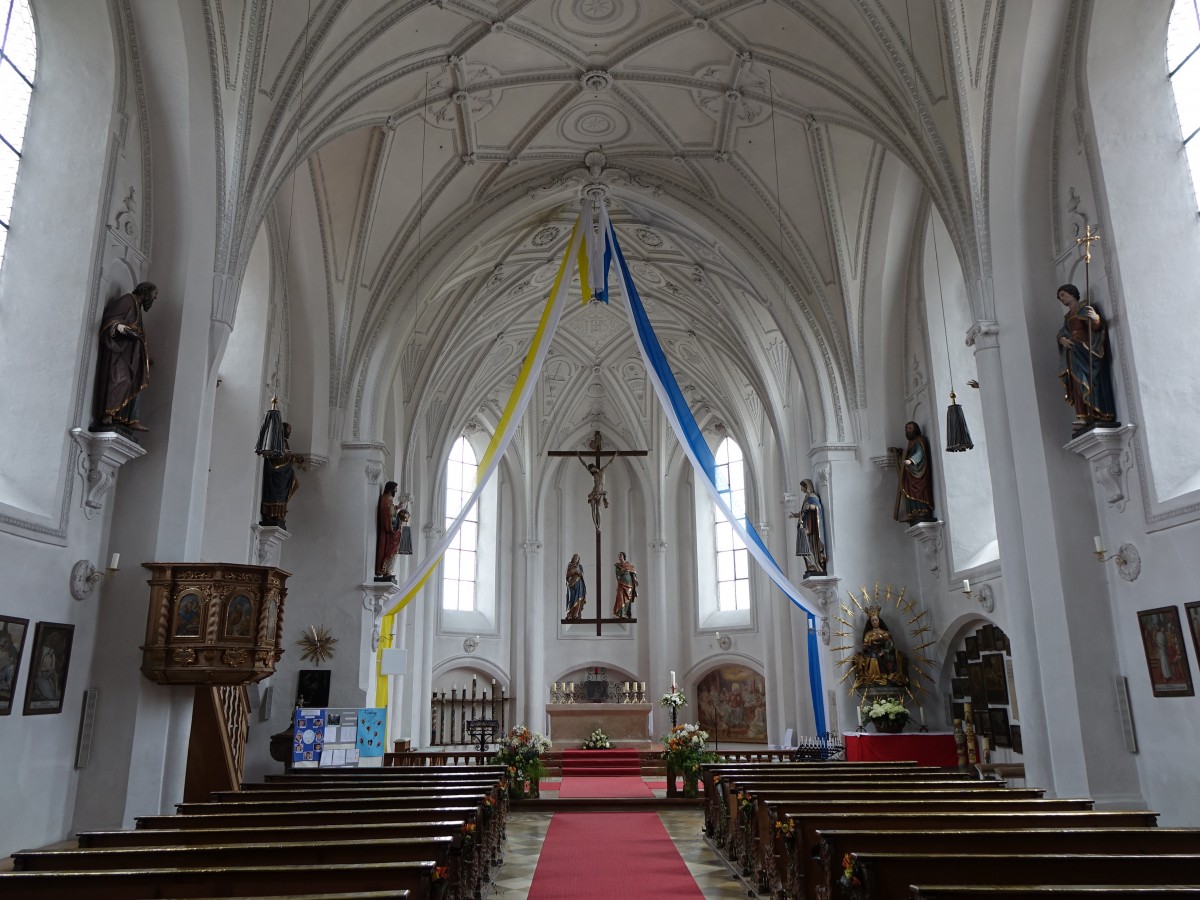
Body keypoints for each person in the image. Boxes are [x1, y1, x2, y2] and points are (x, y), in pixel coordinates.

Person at [94, 281, 156, 433]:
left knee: (133, 381)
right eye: (155, 294)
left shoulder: (137, 306)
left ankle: (126, 419)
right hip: (119, 352)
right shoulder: (128, 300)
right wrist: (122, 328)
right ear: (145, 291)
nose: (155, 299)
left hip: (132, 354)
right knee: (120, 379)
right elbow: (112, 320)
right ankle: (108, 414)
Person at [1056, 283, 1118, 435]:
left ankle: (1097, 412)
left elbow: (1096, 326)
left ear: (1072, 293)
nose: (1061, 299)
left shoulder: (1085, 308)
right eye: (1059, 297)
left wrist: (1095, 319)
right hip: (1074, 353)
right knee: (1077, 384)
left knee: (1089, 380)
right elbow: (1062, 332)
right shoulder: (1067, 317)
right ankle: (1083, 416)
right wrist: (1062, 340)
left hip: (1086, 350)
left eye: (1063, 294)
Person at [851, 608, 910, 689]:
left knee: (893, 656)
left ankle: (888, 675)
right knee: (873, 657)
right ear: (870, 622)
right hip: (872, 652)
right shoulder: (868, 633)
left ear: (879, 621)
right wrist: (871, 642)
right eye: (873, 621)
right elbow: (864, 646)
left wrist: (884, 647)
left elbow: (890, 645)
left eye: (876, 620)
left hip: (884, 653)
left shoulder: (884, 632)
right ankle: (876, 678)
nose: (875, 622)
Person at [260, 422, 305, 529]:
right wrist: (289, 456)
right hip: (278, 473)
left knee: (292, 486)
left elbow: (285, 455)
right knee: (278, 494)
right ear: (283, 429)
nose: (291, 432)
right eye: (289, 429)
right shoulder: (277, 441)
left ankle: (279, 514)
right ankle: (272, 515)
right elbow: (275, 456)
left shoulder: (284, 442)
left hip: (284, 473)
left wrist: (293, 458)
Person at [892, 421, 935, 525]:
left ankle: (923, 511)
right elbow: (908, 452)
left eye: (910, 428)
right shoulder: (911, 443)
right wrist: (899, 451)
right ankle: (914, 513)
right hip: (911, 471)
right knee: (909, 490)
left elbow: (919, 453)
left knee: (919, 490)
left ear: (915, 429)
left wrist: (911, 460)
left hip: (918, 472)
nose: (907, 430)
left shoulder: (920, 440)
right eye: (906, 429)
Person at [788, 479, 828, 576]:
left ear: (807, 486)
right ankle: (811, 566)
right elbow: (803, 512)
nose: (801, 489)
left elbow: (817, 508)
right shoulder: (806, 498)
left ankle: (816, 565)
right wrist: (795, 515)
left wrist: (810, 507)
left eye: (802, 486)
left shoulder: (812, 497)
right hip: (805, 526)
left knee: (810, 546)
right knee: (805, 547)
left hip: (811, 527)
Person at [577, 450, 620, 531]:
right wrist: (578, 456)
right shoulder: (593, 474)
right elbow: (584, 464)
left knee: (598, 509)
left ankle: (599, 526)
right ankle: (596, 527)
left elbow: (610, 462)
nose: (591, 471)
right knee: (593, 510)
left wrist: (615, 455)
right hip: (594, 493)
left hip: (600, 493)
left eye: (592, 470)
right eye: (590, 471)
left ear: (594, 467)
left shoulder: (602, 470)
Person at [375, 482, 402, 583]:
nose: (396, 491)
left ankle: (388, 571)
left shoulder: (389, 500)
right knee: (389, 550)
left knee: (394, 550)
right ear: (391, 489)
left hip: (393, 531)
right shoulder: (385, 499)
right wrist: (394, 522)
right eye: (395, 489)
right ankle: (385, 570)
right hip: (389, 532)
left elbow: (391, 512)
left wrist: (397, 508)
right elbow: (387, 515)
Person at [613, 551, 638, 617]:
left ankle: (626, 613)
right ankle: (620, 613)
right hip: (621, 583)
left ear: (624, 556)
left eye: (621, 555)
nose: (619, 556)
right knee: (620, 597)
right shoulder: (617, 565)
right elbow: (617, 574)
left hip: (629, 584)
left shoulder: (628, 564)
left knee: (627, 598)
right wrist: (624, 570)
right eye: (619, 555)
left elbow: (633, 573)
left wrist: (635, 580)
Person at [564, 553, 587, 619]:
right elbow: (567, 575)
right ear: (573, 558)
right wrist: (573, 571)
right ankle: (569, 614)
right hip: (571, 584)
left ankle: (576, 615)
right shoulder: (570, 565)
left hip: (579, 584)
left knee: (578, 599)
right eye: (575, 558)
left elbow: (582, 574)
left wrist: (578, 571)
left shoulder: (580, 566)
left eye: (577, 558)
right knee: (571, 599)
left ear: (578, 560)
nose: (576, 559)